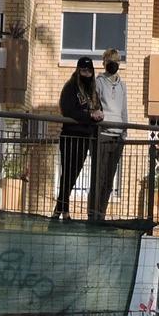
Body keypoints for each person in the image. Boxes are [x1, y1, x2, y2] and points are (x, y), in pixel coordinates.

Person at [51, 56, 100, 220]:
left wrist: (97, 114)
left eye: (89, 71)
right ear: (78, 71)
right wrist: (90, 115)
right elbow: (68, 111)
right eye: (83, 70)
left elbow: (97, 108)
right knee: (68, 174)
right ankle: (62, 211)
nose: (87, 74)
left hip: (85, 138)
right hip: (71, 136)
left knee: (73, 175)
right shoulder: (70, 87)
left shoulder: (91, 91)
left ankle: (60, 210)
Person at [89, 47, 128, 222]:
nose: (113, 65)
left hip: (118, 135)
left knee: (109, 181)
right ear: (104, 63)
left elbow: (124, 108)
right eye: (109, 61)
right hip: (102, 134)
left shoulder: (122, 84)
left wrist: (125, 132)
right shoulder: (98, 82)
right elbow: (94, 104)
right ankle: (93, 216)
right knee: (98, 178)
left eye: (116, 61)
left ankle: (102, 215)